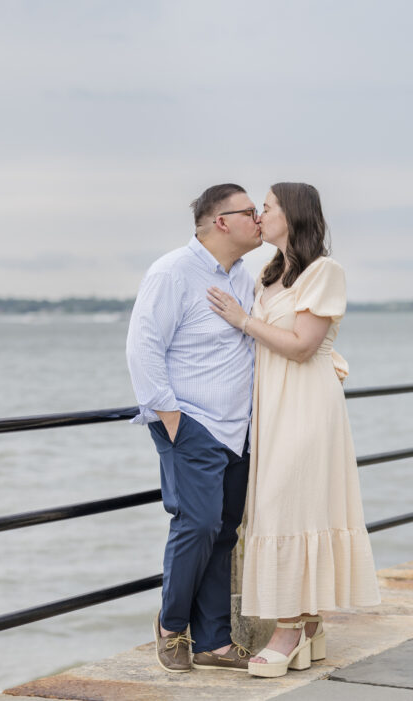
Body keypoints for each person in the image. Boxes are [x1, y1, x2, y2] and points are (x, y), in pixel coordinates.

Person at [207, 182, 381, 678]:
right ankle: (308, 626)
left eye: (267, 207)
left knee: (289, 502)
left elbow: (304, 344)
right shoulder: (270, 274)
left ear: (293, 215)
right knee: (282, 504)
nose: (259, 215)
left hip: (306, 405)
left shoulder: (324, 271)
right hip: (275, 405)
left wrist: (242, 320)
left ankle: (288, 629)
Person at [126, 183, 262, 673]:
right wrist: (169, 416)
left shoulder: (246, 275)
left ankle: (214, 642)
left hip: (238, 428)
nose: (260, 218)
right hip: (191, 423)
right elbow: (143, 347)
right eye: (250, 211)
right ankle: (170, 626)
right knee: (198, 523)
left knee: (225, 532)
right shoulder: (171, 272)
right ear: (221, 221)